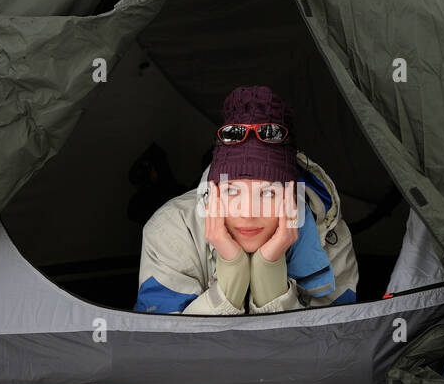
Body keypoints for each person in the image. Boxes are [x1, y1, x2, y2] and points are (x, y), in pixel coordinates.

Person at [135, 85, 358, 314]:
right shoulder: (172, 227)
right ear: (214, 192)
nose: (248, 212)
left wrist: (269, 272)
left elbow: (330, 343)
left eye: (268, 193)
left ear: (291, 195)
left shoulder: (328, 234)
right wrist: (232, 273)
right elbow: (167, 344)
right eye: (232, 191)